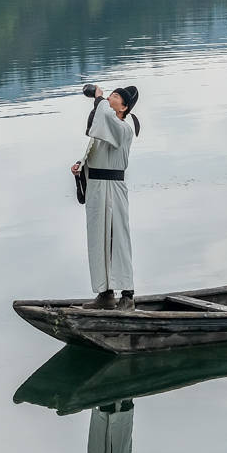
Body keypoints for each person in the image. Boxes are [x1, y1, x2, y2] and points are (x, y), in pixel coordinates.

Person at [71, 85, 140, 310]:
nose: (110, 98)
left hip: (113, 190)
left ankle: (127, 295)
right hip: (97, 190)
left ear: (124, 107)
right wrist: (81, 169)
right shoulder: (104, 131)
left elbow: (105, 115)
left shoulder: (123, 129)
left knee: (117, 240)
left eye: (116, 97)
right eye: (110, 95)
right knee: (98, 240)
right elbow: (95, 154)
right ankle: (105, 293)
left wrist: (99, 98)